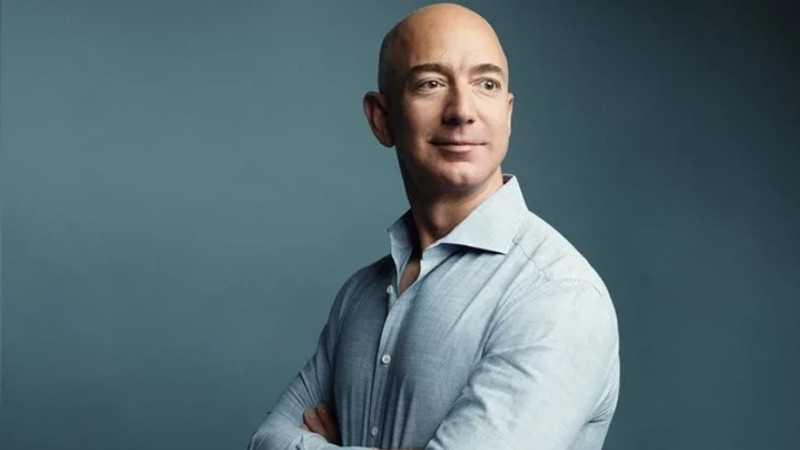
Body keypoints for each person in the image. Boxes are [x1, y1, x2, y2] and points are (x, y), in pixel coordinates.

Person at [248, 3, 619, 449]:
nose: (462, 110)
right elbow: (264, 441)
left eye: (486, 84)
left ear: (507, 113)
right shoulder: (358, 296)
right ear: (382, 119)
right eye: (431, 83)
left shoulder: (557, 295)